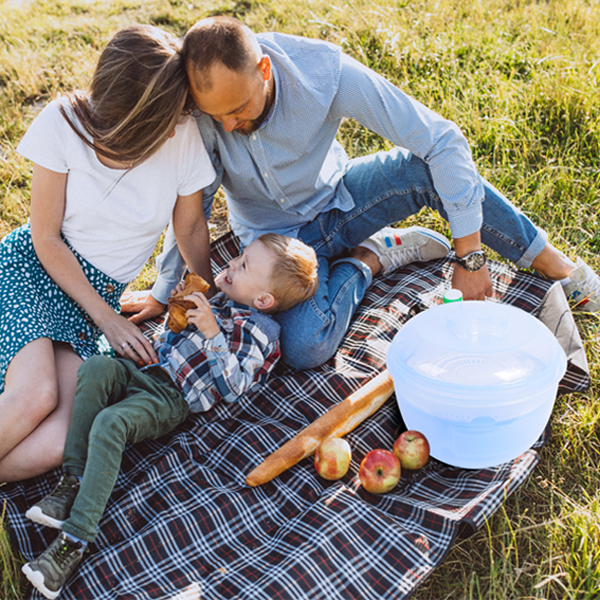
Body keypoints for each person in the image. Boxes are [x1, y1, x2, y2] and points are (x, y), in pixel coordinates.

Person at [123, 16, 600, 371]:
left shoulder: (323, 73)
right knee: (305, 346)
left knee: (426, 169)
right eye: (217, 116)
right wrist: (168, 291)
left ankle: (560, 267)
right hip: (275, 248)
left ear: (264, 70)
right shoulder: (206, 113)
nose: (229, 126)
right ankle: (374, 256)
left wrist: (469, 258)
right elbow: (192, 206)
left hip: (345, 200)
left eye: (240, 108)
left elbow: (442, 140)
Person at [21, 233, 318, 599]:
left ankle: (74, 541)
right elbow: (171, 343)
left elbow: (233, 386)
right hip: (148, 373)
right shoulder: (219, 302)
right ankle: (72, 480)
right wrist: (176, 318)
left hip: (173, 398)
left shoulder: (259, 333)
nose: (232, 264)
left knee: (111, 423)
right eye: (238, 257)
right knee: (96, 367)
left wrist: (211, 333)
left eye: (243, 266)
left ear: (263, 299)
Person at [0, 24, 219, 482]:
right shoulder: (62, 122)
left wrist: (209, 294)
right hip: (36, 272)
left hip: (91, 298)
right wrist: (107, 318)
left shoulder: (181, 135)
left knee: (62, 439)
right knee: (36, 397)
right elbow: (45, 238)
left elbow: (192, 226)